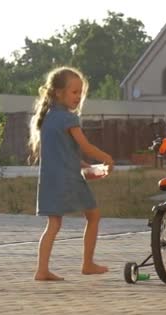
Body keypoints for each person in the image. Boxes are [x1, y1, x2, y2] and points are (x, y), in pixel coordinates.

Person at [28, 66, 114, 281]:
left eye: (80, 93)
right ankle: (87, 263)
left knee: (54, 224)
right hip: (69, 180)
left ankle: (42, 269)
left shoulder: (47, 119)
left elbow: (64, 154)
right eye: (74, 92)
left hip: (50, 181)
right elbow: (85, 146)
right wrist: (107, 158)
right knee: (93, 216)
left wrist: (85, 166)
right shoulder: (68, 119)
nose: (78, 97)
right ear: (59, 93)